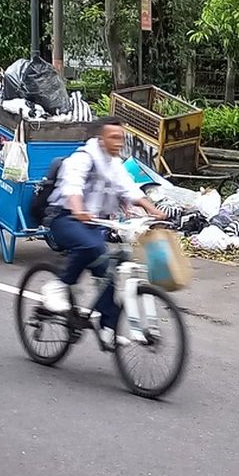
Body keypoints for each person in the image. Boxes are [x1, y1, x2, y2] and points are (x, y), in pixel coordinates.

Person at [41, 116, 165, 347]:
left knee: (108, 271)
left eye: (122, 138)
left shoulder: (113, 163)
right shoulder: (82, 159)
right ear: (100, 139)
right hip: (64, 218)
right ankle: (57, 287)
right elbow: (72, 187)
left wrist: (154, 210)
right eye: (114, 137)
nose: (119, 142)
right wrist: (78, 211)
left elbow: (128, 189)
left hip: (92, 223)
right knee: (93, 247)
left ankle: (108, 326)